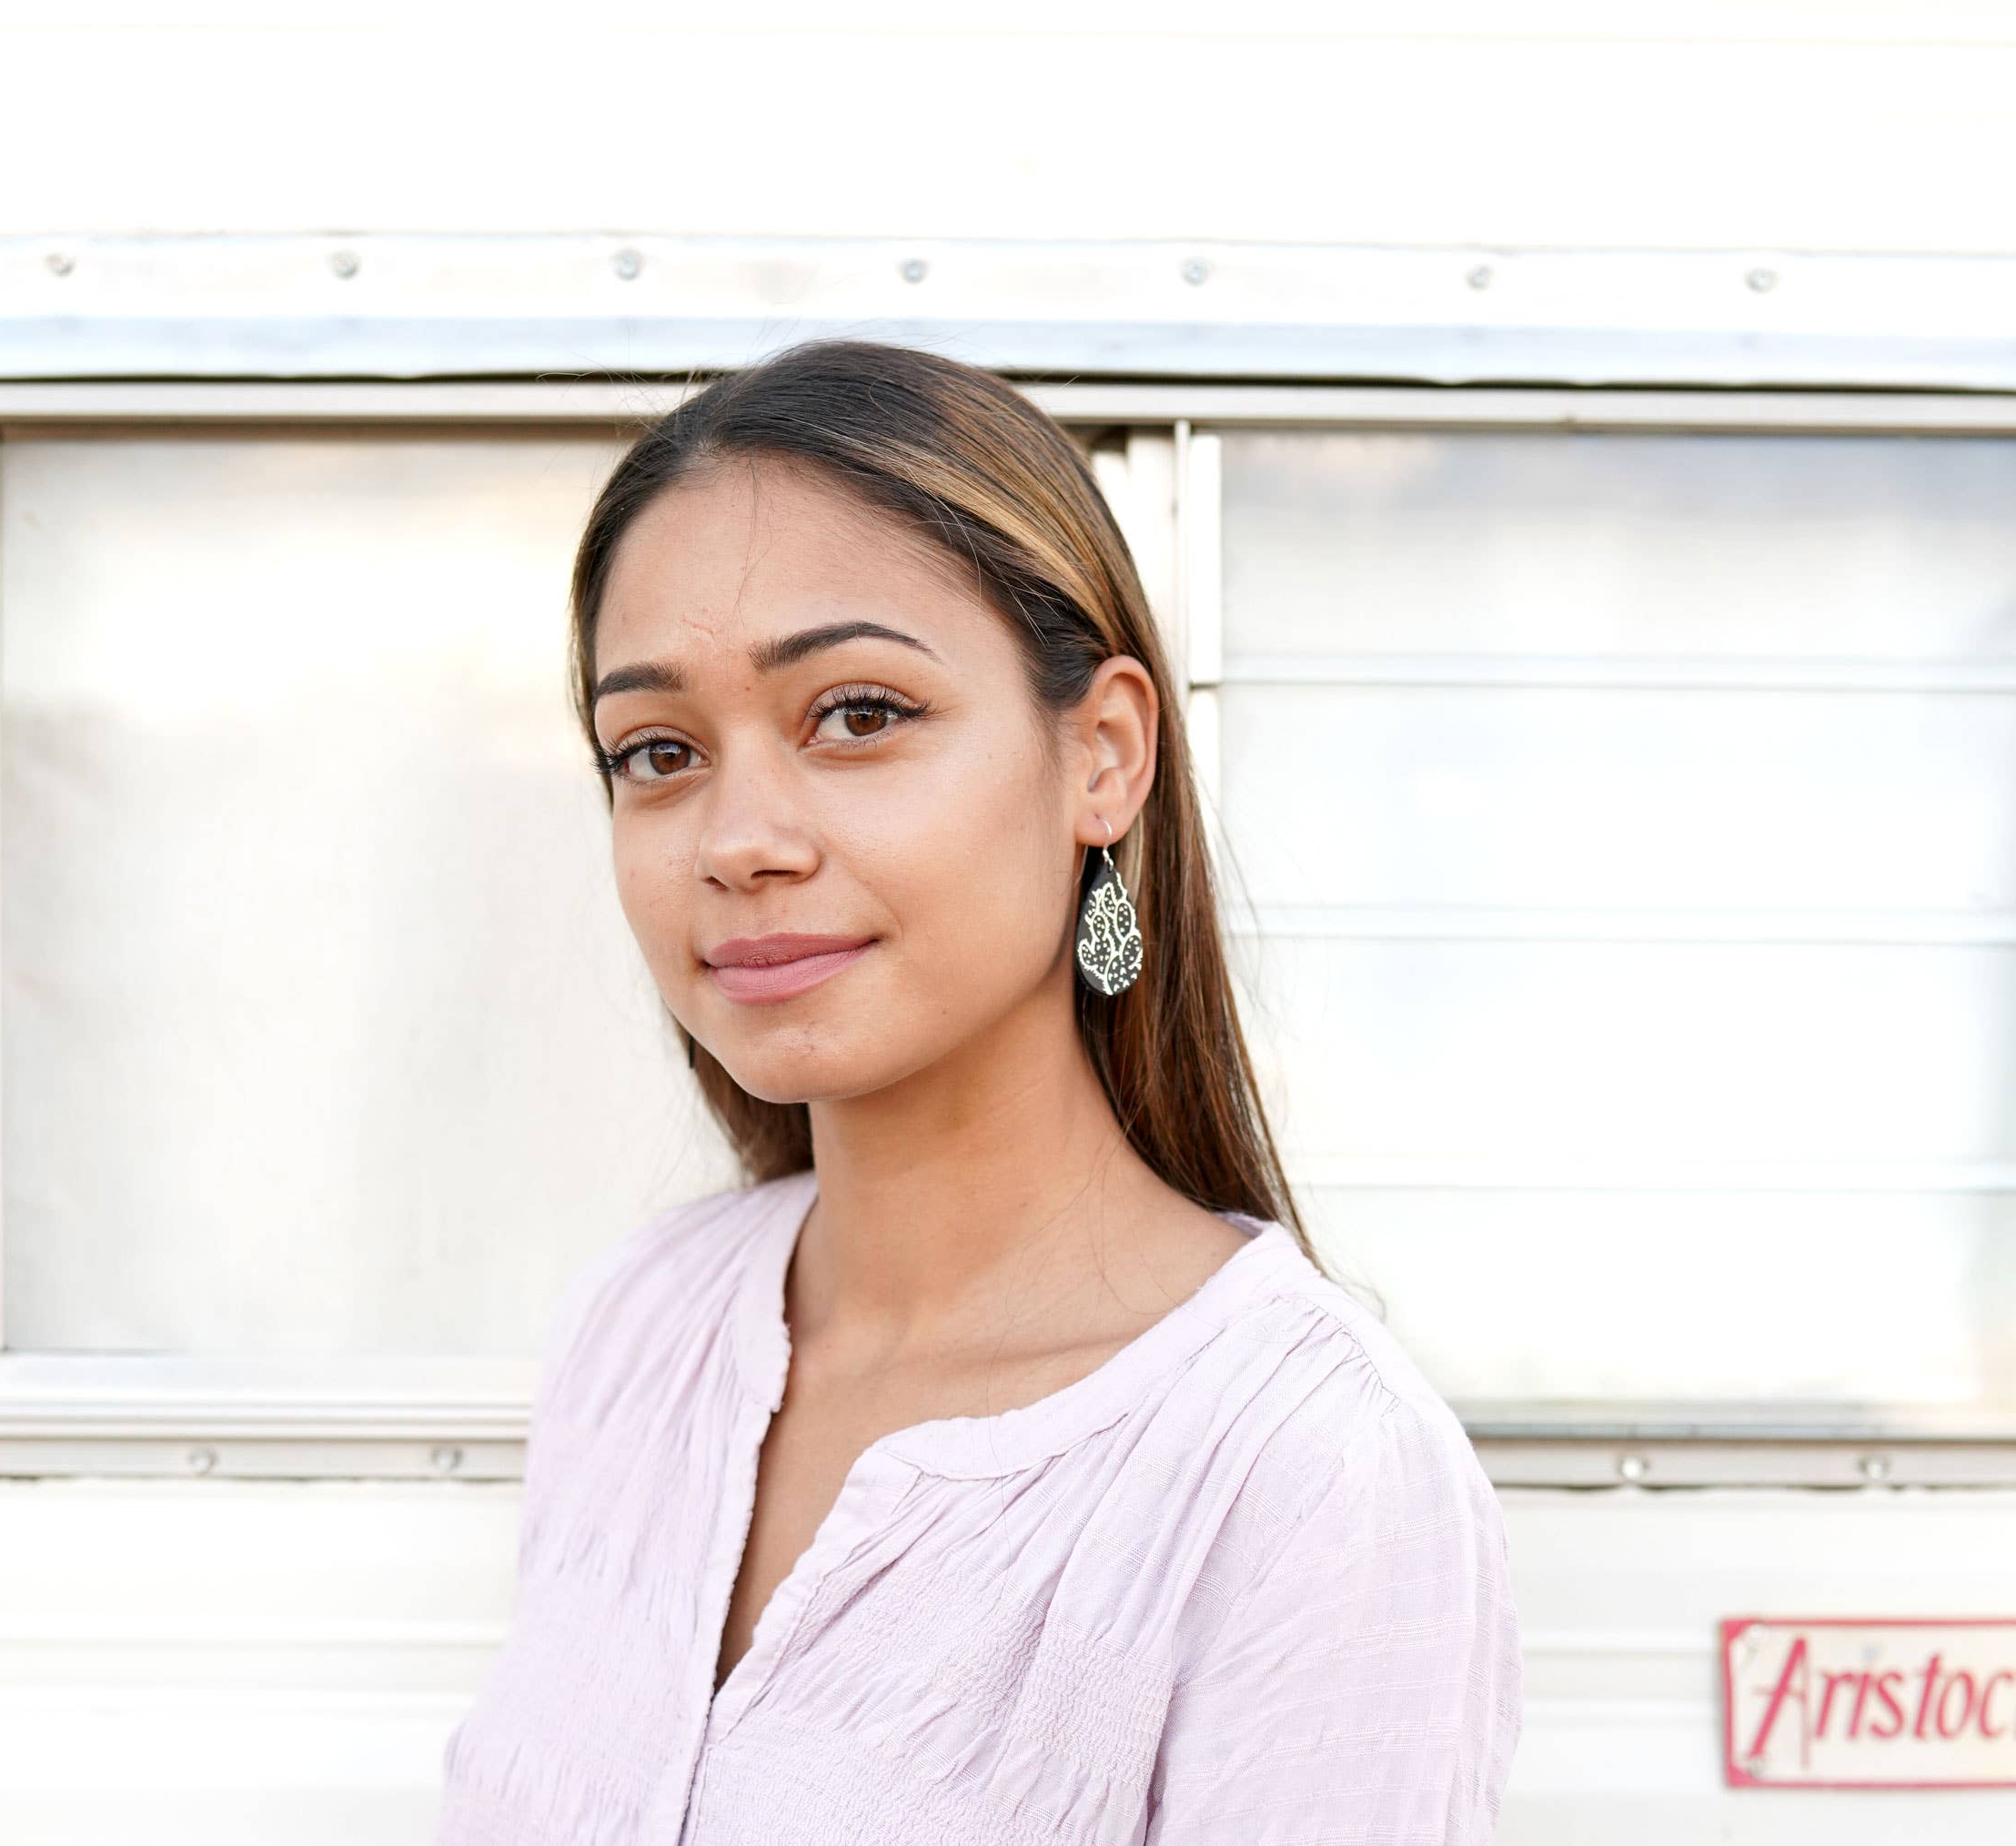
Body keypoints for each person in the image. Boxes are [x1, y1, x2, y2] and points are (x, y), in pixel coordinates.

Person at [436, 338, 1522, 1844]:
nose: (738, 838)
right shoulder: (645, 1328)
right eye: (659, 750)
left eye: (858, 714)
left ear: (1104, 756)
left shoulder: (1304, 1467)